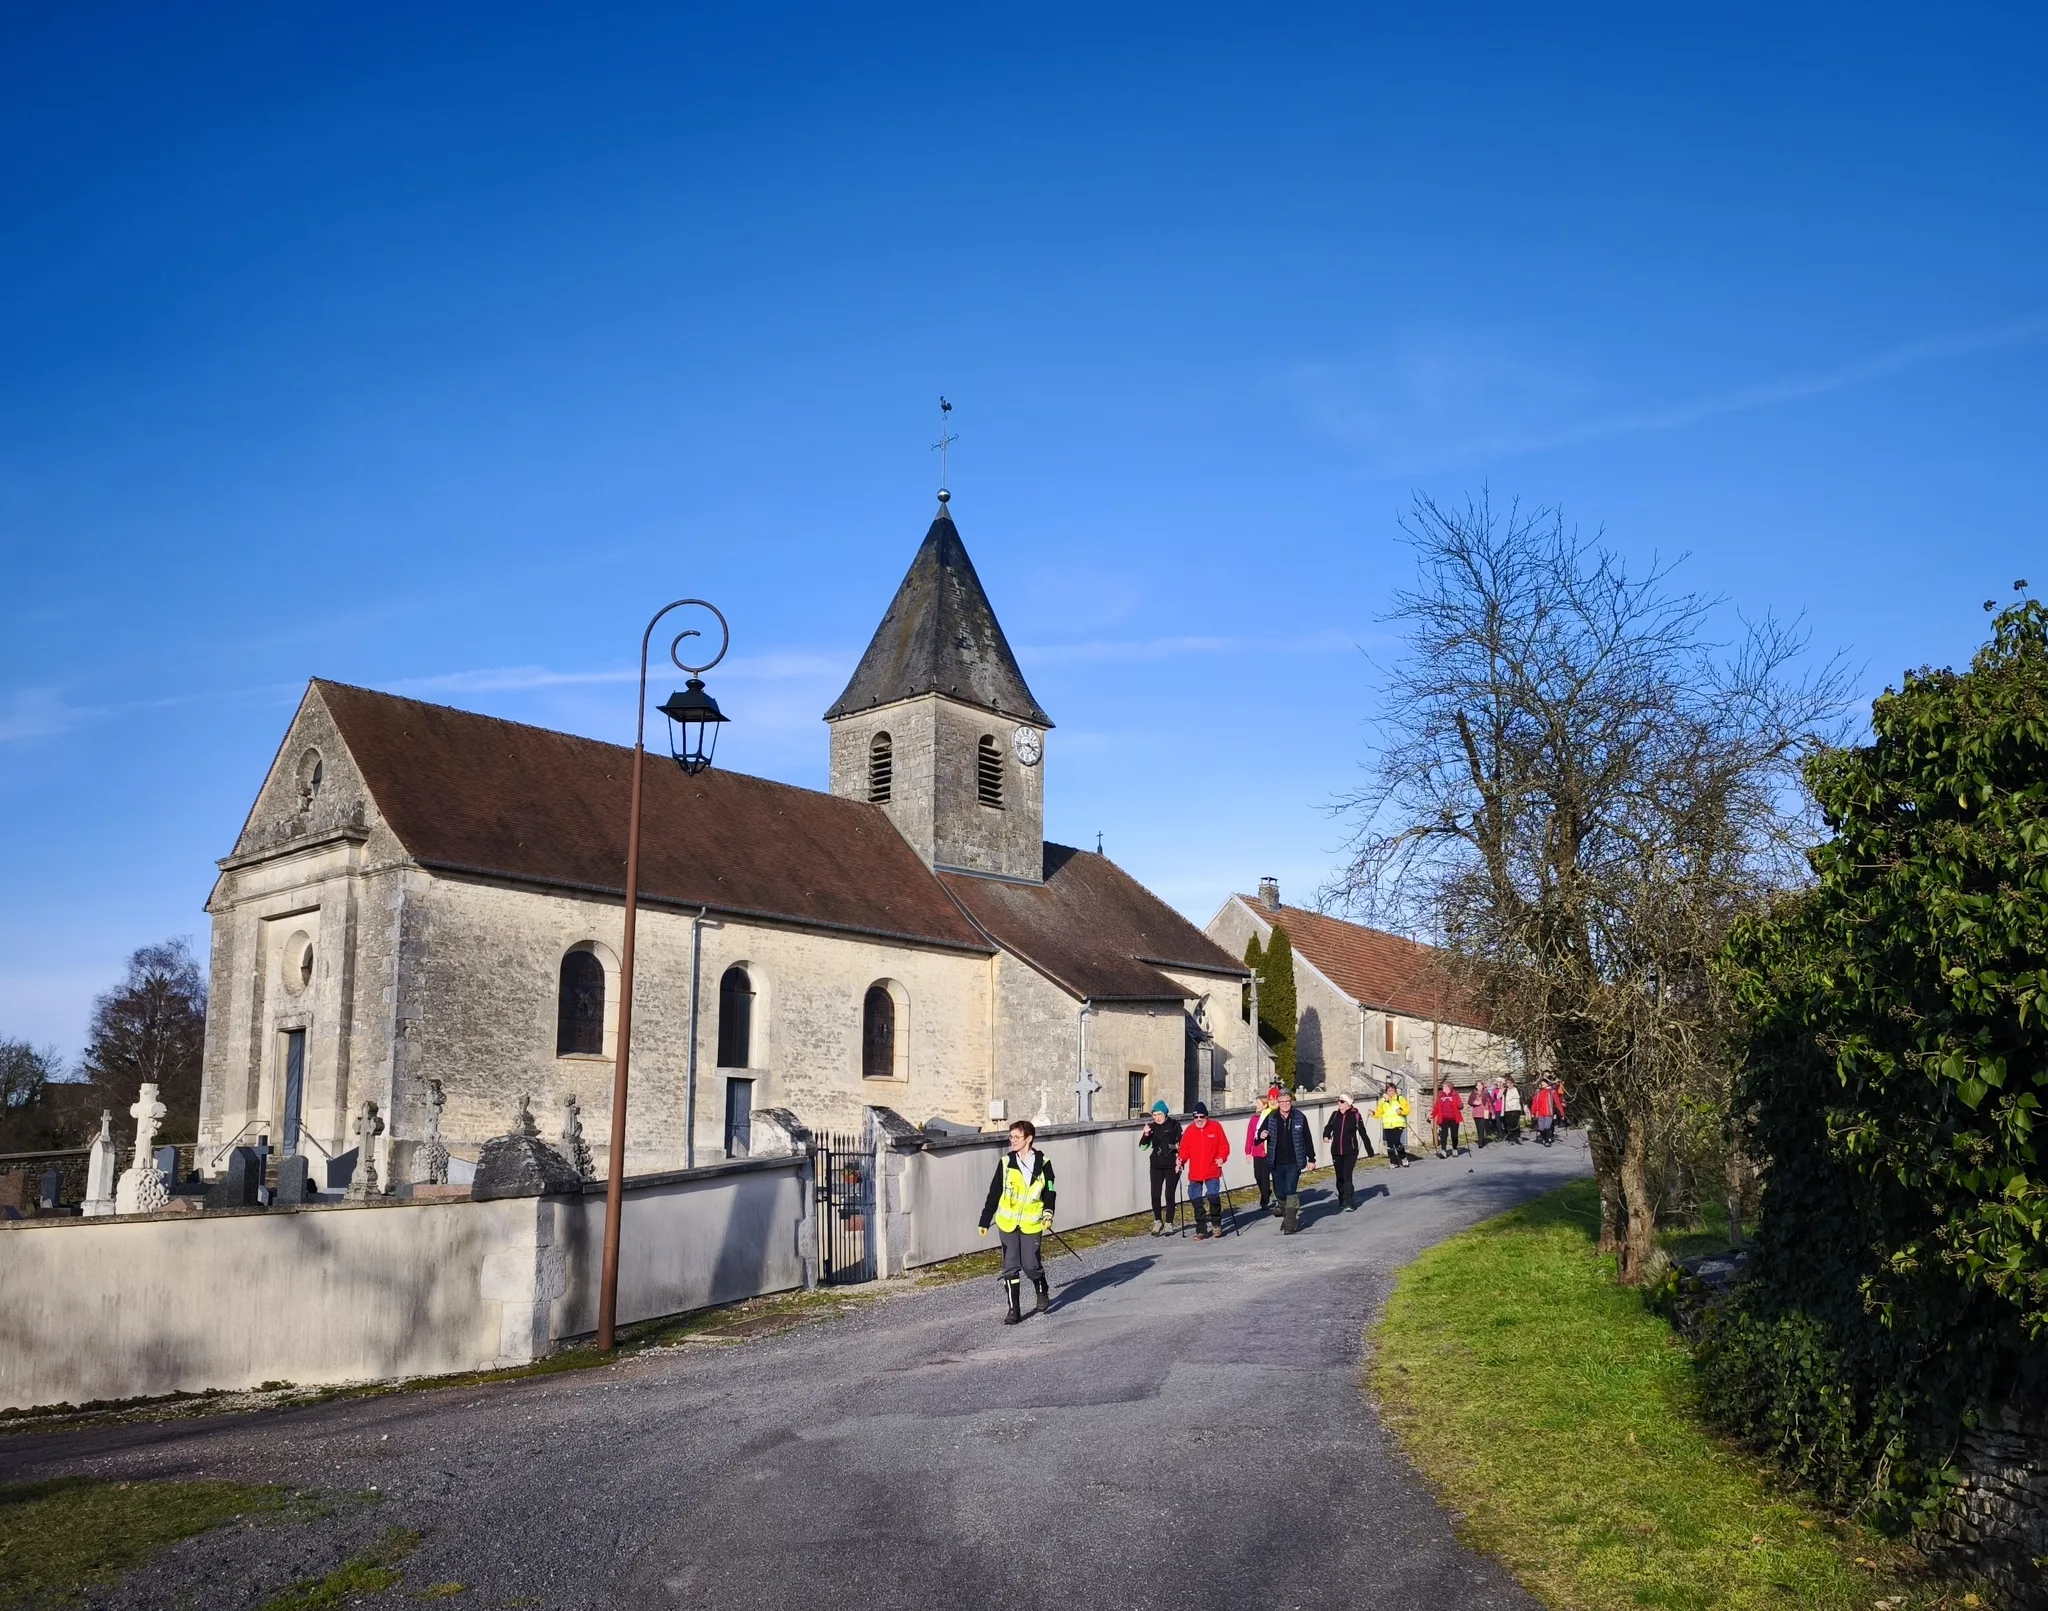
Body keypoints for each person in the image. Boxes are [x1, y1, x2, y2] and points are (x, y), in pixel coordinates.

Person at [978, 1120, 1057, 1323]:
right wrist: (985, 1220)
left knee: (1030, 1265)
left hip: (1032, 1223)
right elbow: (994, 1192)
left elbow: (1050, 1191)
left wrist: (1048, 1213)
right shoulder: (1006, 1162)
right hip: (1007, 1223)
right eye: (1011, 1137)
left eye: (1016, 1137)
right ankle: (1014, 1310)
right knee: (1010, 1266)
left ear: (1028, 1138)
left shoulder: (1044, 1163)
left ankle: (1041, 1286)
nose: (1012, 1140)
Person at [1258, 1086, 1316, 1234]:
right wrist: (1261, 1136)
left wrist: (1311, 1158)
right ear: (1278, 1102)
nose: (1285, 1104)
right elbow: (1258, 1137)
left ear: (1291, 1101)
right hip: (1276, 1162)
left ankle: (1290, 1223)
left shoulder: (1300, 1117)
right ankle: (1286, 1215)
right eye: (1282, 1101)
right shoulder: (1271, 1117)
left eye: (1287, 1101)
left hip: (1294, 1161)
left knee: (1290, 1189)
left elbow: (1307, 1138)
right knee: (1280, 1193)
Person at [1177, 1102, 1232, 1239]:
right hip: (1195, 1172)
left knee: (1213, 1196)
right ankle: (1201, 1229)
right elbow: (1184, 1150)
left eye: (1202, 1116)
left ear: (1206, 1117)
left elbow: (1224, 1146)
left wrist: (1222, 1158)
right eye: (1196, 1117)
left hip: (1212, 1169)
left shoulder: (1215, 1127)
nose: (1199, 1119)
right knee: (1196, 1200)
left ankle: (1216, 1224)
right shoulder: (1189, 1130)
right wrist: (1180, 1161)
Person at [1137, 1099, 1183, 1236]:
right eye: (1154, 1115)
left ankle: (1169, 1223)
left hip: (1172, 1165)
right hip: (1156, 1165)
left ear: (1165, 1114)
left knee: (1169, 1194)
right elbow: (1142, 1147)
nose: (1156, 1117)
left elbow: (1182, 1144)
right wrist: (1146, 1134)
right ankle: (1157, 1221)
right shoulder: (1151, 1127)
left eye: (1159, 1114)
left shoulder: (1175, 1125)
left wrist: (1180, 1160)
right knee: (1155, 1194)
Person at [1321, 1091, 1374, 1210]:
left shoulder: (1355, 1115)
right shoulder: (1335, 1114)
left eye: (1341, 1101)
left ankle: (1349, 1202)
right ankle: (1342, 1198)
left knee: (1347, 1175)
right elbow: (1328, 1127)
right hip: (1336, 1151)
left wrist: (1369, 1150)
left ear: (1348, 1103)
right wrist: (1326, 1136)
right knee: (1339, 1176)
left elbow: (1363, 1133)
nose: (1339, 1103)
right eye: (1338, 1101)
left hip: (1350, 1151)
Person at [1246, 1087, 1278, 1211]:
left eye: (1259, 1104)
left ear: (1265, 1105)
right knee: (1258, 1176)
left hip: (1267, 1152)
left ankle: (1264, 1200)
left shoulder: (1271, 1116)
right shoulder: (1254, 1119)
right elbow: (1250, 1136)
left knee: (1265, 1176)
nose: (1256, 1106)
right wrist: (1248, 1151)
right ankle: (1266, 1192)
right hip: (1257, 1151)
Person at [1375, 1081, 1412, 1167]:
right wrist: (1372, 1113)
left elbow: (1407, 1110)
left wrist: (1401, 1112)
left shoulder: (1400, 1098)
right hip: (1387, 1125)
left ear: (1395, 1090)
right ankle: (1394, 1162)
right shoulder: (1382, 1101)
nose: (1391, 1092)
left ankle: (1403, 1158)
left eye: (1392, 1090)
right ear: (1386, 1091)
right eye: (1389, 1090)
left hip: (1398, 1124)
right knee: (1390, 1145)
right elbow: (1379, 1113)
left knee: (1396, 1142)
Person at [1431, 1081, 1464, 1158]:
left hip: (1454, 1118)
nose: (1443, 1088)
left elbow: (1460, 1104)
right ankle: (1443, 1151)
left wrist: (1460, 1105)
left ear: (1449, 1087)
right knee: (1444, 1135)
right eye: (1443, 1086)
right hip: (1444, 1119)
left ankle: (1455, 1149)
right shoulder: (1440, 1095)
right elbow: (1436, 1106)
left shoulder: (1455, 1095)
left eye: (1445, 1086)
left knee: (1454, 1135)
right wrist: (1432, 1115)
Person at [1530, 1077, 1561, 1146]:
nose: (1542, 1084)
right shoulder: (1538, 1092)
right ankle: (1545, 1138)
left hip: (1548, 1112)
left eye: (1544, 1083)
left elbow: (1557, 1102)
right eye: (1542, 1083)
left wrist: (1561, 1113)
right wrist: (1533, 1112)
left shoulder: (1552, 1092)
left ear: (1547, 1083)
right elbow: (1534, 1103)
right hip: (1540, 1112)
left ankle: (1547, 1141)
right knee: (1541, 1128)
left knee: (1547, 1126)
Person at [1499, 1076, 1523, 1142]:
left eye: (1509, 1083)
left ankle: (1518, 1136)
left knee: (1516, 1123)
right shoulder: (1505, 1090)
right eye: (1507, 1083)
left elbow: (1519, 1098)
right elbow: (1499, 1097)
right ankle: (1511, 1138)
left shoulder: (1517, 1089)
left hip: (1516, 1108)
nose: (1508, 1084)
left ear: (1512, 1083)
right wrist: (1502, 1089)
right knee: (1509, 1124)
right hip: (1508, 1109)